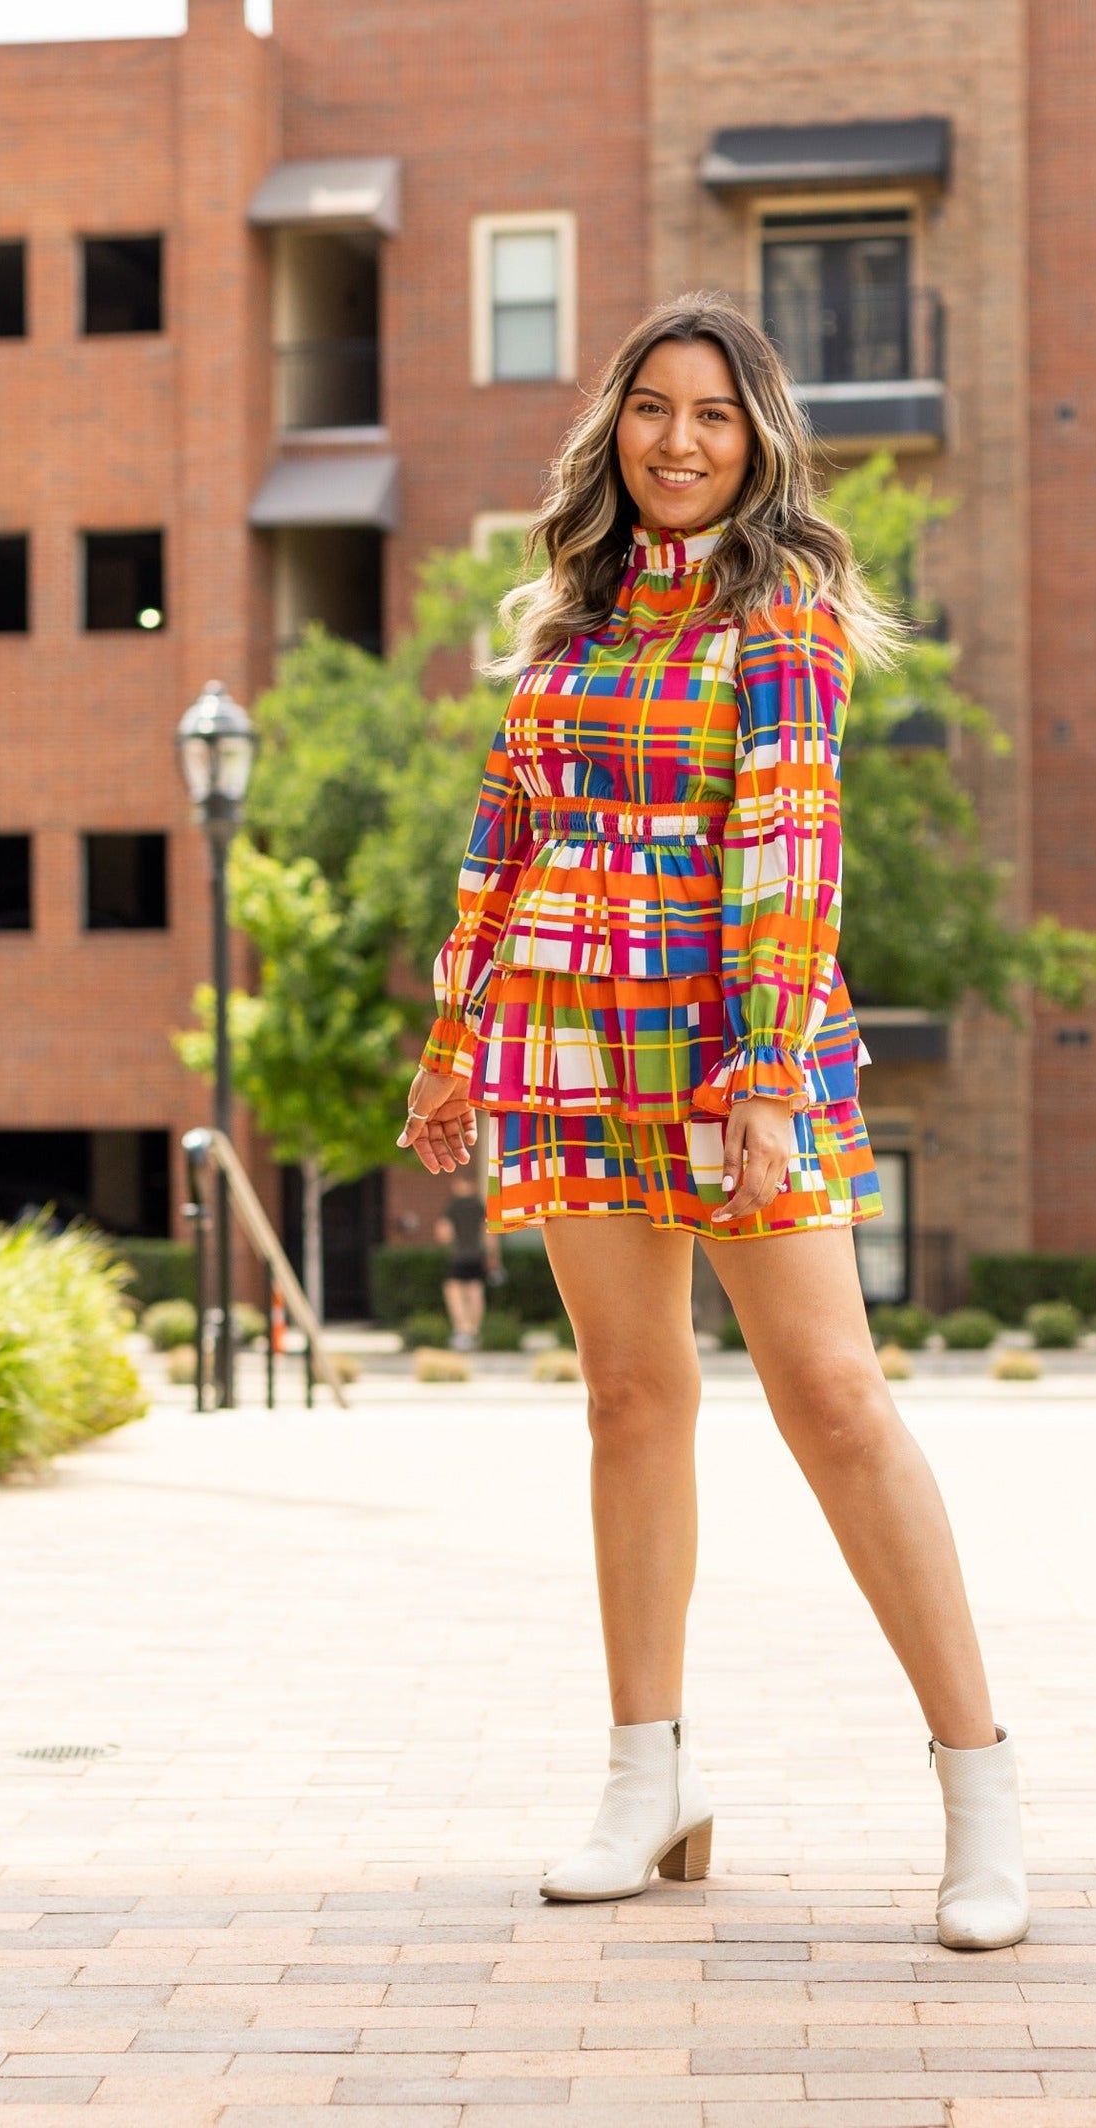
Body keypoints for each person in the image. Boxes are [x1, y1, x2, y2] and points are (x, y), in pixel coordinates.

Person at [397, 292, 1029, 1949]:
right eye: (653, 408)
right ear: (614, 425)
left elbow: (789, 846)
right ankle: (647, 1777)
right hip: (568, 1033)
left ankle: (981, 1793)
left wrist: (759, 1068)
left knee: (833, 1398)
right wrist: (455, 1036)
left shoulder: (784, 610)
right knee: (629, 1397)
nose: (678, 441)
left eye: (715, 415)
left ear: (756, 443)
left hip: (731, 1031)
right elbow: (503, 837)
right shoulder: (563, 622)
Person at [434, 1183, 487, 1350]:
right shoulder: (478, 1206)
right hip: (476, 1255)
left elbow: (444, 1233)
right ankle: (474, 1330)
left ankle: (462, 1329)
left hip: (458, 1256)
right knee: (475, 1289)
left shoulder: (453, 1206)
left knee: (453, 1289)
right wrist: (493, 1255)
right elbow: (488, 1232)